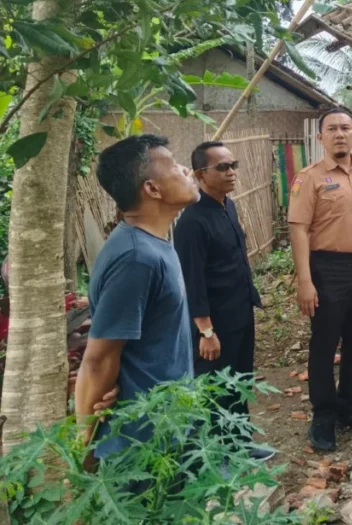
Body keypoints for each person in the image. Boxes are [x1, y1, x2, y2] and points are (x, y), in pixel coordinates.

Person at [75, 134, 198, 460]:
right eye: (173, 166)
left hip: (166, 427)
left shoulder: (154, 243)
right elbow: (99, 358)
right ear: (152, 189)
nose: (186, 170)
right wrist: (84, 443)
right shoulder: (135, 258)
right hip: (140, 445)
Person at [288, 108, 352, 451]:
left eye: (346, 127)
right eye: (332, 129)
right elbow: (298, 229)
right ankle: (324, 414)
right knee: (325, 343)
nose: (340, 134)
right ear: (321, 138)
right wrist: (305, 280)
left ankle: (350, 407)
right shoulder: (309, 177)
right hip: (327, 268)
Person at [173, 141, 271, 460]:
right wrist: (205, 330)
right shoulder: (192, 221)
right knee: (215, 389)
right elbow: (192, 279)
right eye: (223, 167)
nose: (231, 173)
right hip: (214, 321)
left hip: (240, 309)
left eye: (233, 165)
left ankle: (240, 444)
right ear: (201, 174)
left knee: (239, 381)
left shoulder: (228, 206)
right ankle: (217, 456)